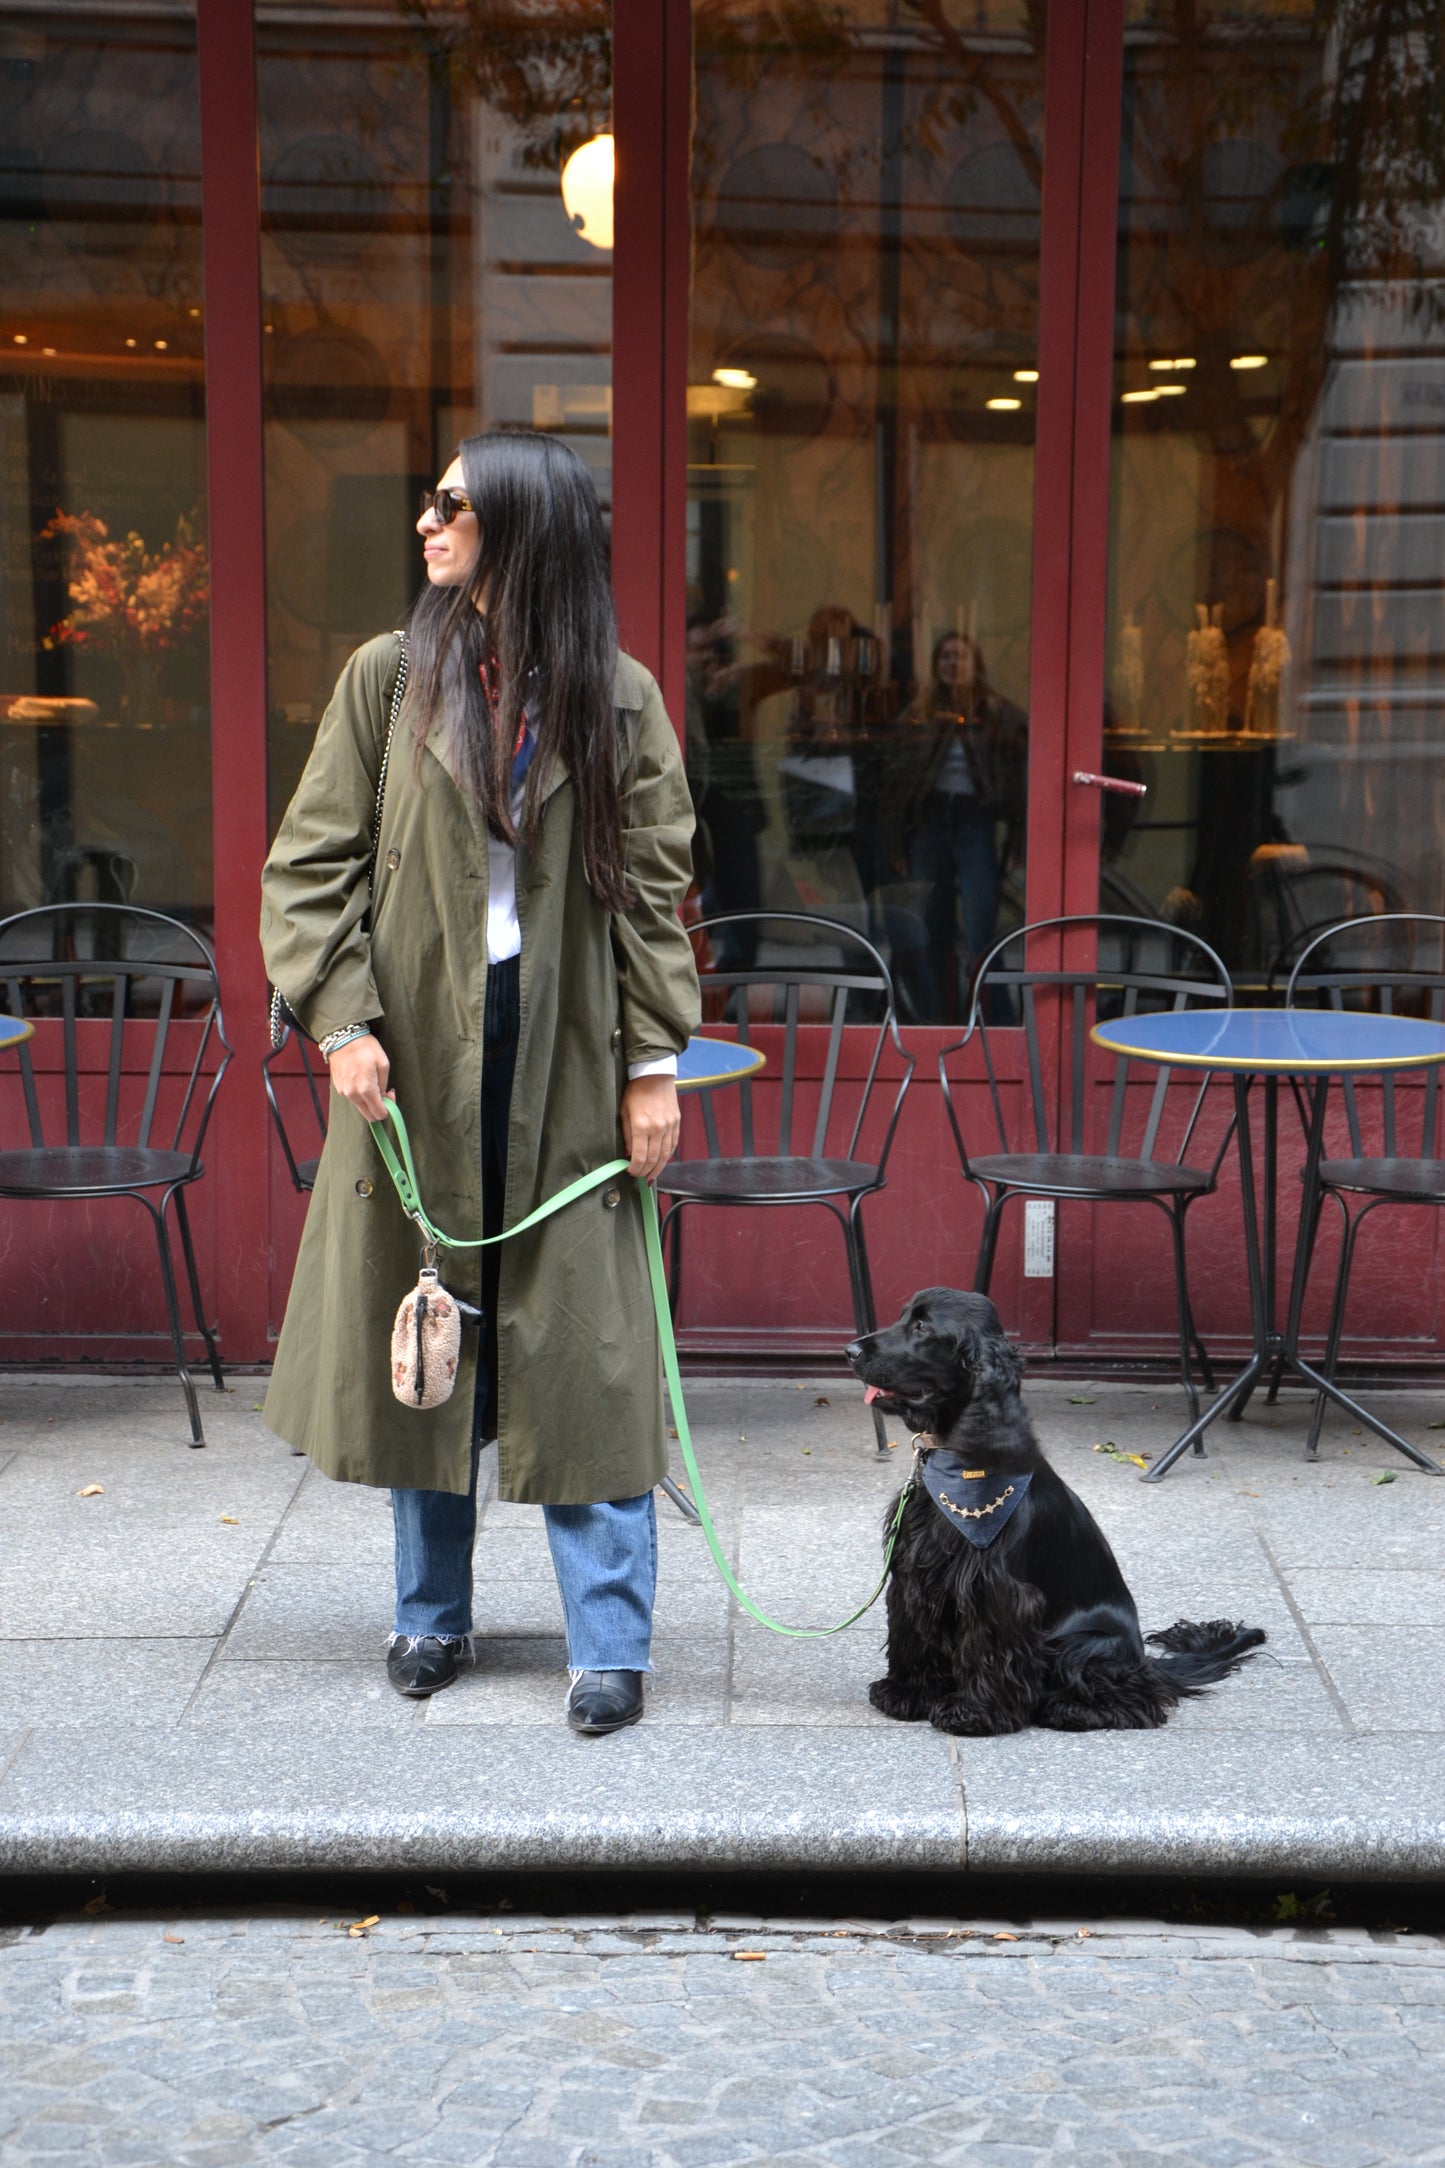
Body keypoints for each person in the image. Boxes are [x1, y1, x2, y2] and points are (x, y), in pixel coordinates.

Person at [260, 429, 701, 1736]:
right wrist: (340, 1020)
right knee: (428, 1328)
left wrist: (652, 1063)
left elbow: (654, 896)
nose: (426, 521)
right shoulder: (387, 679)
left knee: (591, 1352)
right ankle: (428, 1615)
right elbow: (307, 871)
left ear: (516, 528)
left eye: (452, 502)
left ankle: (607, 1646)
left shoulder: (615, 698)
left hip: (567, 1050)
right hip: (417, 1048)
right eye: (431, 500)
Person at [899, 632, 1026, 1021]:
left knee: (980, 930)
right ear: (936, 665)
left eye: (962, 656)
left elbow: (1020, 765)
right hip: (931, 819)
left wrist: (1016, 840)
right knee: (932, 930)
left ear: (976, 664)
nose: (953, 664)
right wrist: (896, 843)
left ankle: (1000, 1024)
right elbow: (896, 781)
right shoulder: (921, 712)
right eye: (946, 656)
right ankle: (939, 1021)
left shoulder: (995, 710)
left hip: (975, 818)